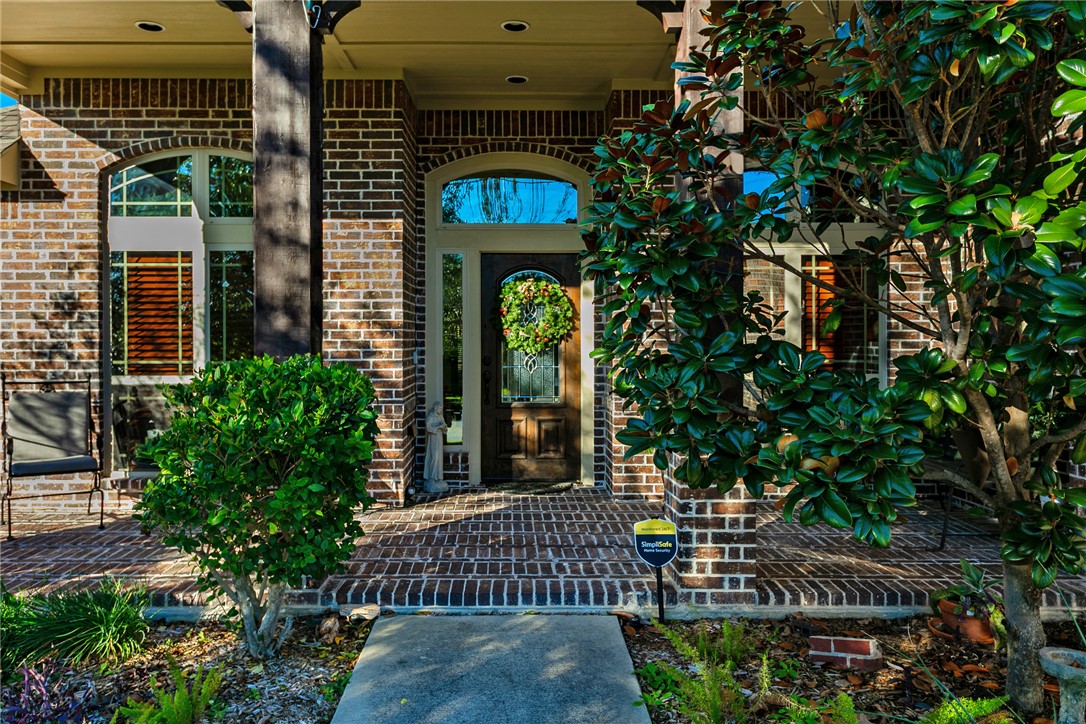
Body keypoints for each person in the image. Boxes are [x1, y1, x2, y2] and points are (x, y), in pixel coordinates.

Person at [423, 401, 449, 494]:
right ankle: (431, 477)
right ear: (435, 408)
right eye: (439, 408)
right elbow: (428, 428)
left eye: (441, 409)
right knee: (434, 457)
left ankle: (438, 478)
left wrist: (443, 427)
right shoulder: (430, 416)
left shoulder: (440, 416)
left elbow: (445, 427)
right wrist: (437, 427)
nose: (441, 410)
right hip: (433, 439)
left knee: (439, 458)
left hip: (439, 438)